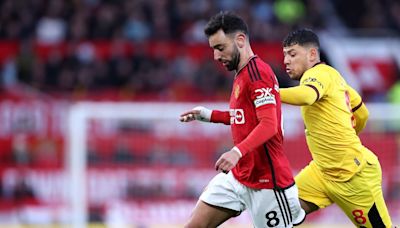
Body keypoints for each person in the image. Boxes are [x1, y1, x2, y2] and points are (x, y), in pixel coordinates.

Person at [179, 11, 305, 228]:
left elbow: (269, 124)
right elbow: (245, 118)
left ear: (240, 40)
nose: (216, 56)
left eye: (220, 48)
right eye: (213, 50)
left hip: (268, 184)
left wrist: (236, 152)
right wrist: (209, 115)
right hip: (238, 177)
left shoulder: (258, 75)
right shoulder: (242, 73)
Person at [280, 28, 393, 227]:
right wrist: (347, 134)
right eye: (285, 55)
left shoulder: (318, 73)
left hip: (353, 176)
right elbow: (362, 113)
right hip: (322, 172)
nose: (286, 61)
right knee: (280, 211)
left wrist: (269, 92)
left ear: (312, 54)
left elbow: (307, 96)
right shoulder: (336, 78)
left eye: (292, 54)